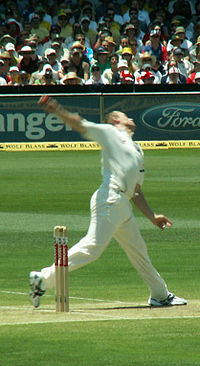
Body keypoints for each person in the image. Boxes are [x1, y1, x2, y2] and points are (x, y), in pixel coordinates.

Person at [30, 96, 187, 309]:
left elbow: (136, 191)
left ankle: (160, 294)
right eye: (124, 115)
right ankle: (44, 278)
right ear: (115, 120)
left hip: (123, 205)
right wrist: (57, 109)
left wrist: (152, 216)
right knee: (92, 249)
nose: (130, 117)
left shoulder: (137, 149)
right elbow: (79, 124)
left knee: (139, 250)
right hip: (110, 200)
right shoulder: (110, 132)